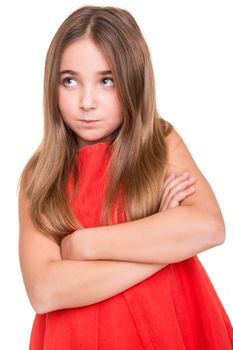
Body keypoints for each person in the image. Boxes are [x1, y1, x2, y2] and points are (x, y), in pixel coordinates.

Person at [18, 5, 233, 349]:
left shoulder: (160, 143)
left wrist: (84, 245)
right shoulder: (40, 174)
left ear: (133, 81)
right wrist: (164, 243)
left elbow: (208, 228)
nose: (87, 102)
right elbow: (45, 291)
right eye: (70, 81)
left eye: (107, 81)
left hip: (167, 328)